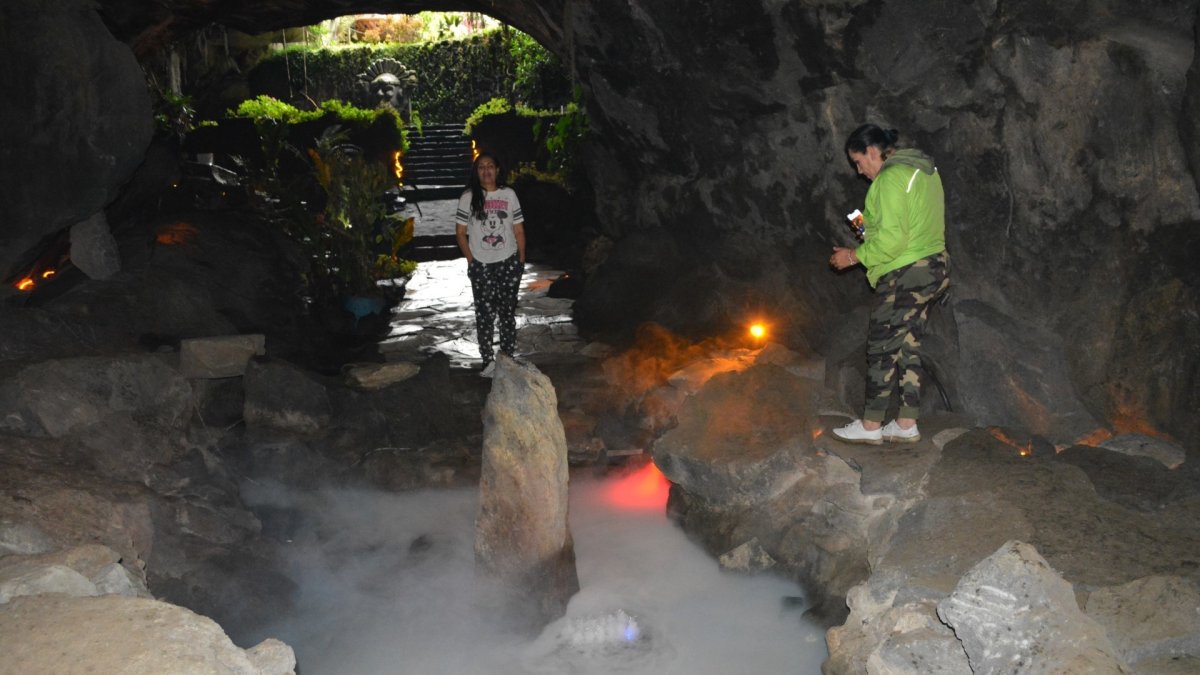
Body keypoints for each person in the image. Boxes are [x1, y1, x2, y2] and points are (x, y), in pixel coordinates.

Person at [829, 124, 950, 444]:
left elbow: (893, 242)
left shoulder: (889, 178)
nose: (859, 171)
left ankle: (871, 426)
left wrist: (852, 257)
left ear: (872, 151)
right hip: (932, 268)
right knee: (907, 345)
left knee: (881, 347)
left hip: (906, 273)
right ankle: (906, 422)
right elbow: (901, 228)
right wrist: (865, 230)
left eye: (858, 162)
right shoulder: (924, 172)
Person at [455, 153, 526, 378]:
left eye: (490, 166)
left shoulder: (509, 194)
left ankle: (507, 359)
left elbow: (518, 229)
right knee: (485, 315)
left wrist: (521, 258)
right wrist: (471, 260)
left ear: (497, 170)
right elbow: (460, 233)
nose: (486, 171)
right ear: (476, 172)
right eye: (481, 167)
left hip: (508, 261)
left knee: (507, 313)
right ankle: (487, 361)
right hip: (482, 264)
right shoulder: (468, 197)